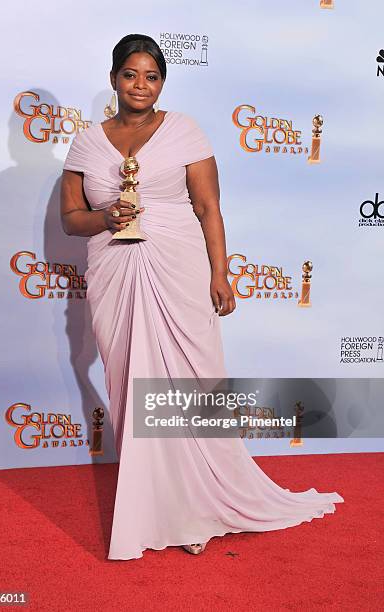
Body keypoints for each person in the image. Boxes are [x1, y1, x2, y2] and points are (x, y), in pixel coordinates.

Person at [60, 34, 344, 561]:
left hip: (178, 269)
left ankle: (199, 507)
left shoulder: (185, 132)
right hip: (114, 272)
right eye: (130, 74)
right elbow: (70, 219)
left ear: (162, 82)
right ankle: (157, 507)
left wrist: (221, 274)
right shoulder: (86, 143)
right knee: (129, 385)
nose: (140, 85)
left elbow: (209, 208)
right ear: (113, 79)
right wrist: (104, 219)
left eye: (151, 76)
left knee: (190, 382)